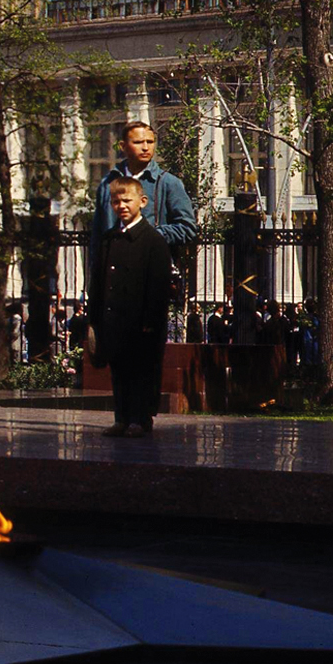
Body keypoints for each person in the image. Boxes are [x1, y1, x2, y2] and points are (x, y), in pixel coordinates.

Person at [92, 176, 173, 437]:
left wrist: (151, 320)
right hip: (114, 319)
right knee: (119, 370)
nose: (122, 205)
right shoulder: (108, 239)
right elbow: (99, 281)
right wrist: (95, 319)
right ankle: (121, 417)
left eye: (127, 200)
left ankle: (141, 418)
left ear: (143, 201)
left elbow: (159, 285)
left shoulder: (153, 241)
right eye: (116, 201)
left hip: (142, 322)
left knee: (142, 371)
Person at [89, 120, 196, 274]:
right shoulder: (108, 183)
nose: (146, 147)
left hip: (151, 269)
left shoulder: (168, 183)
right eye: (138, 142)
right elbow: (97, 235)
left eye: (150, 142)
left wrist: (150, 235)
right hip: (113, 272)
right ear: (123, 146)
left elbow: (187, 228)